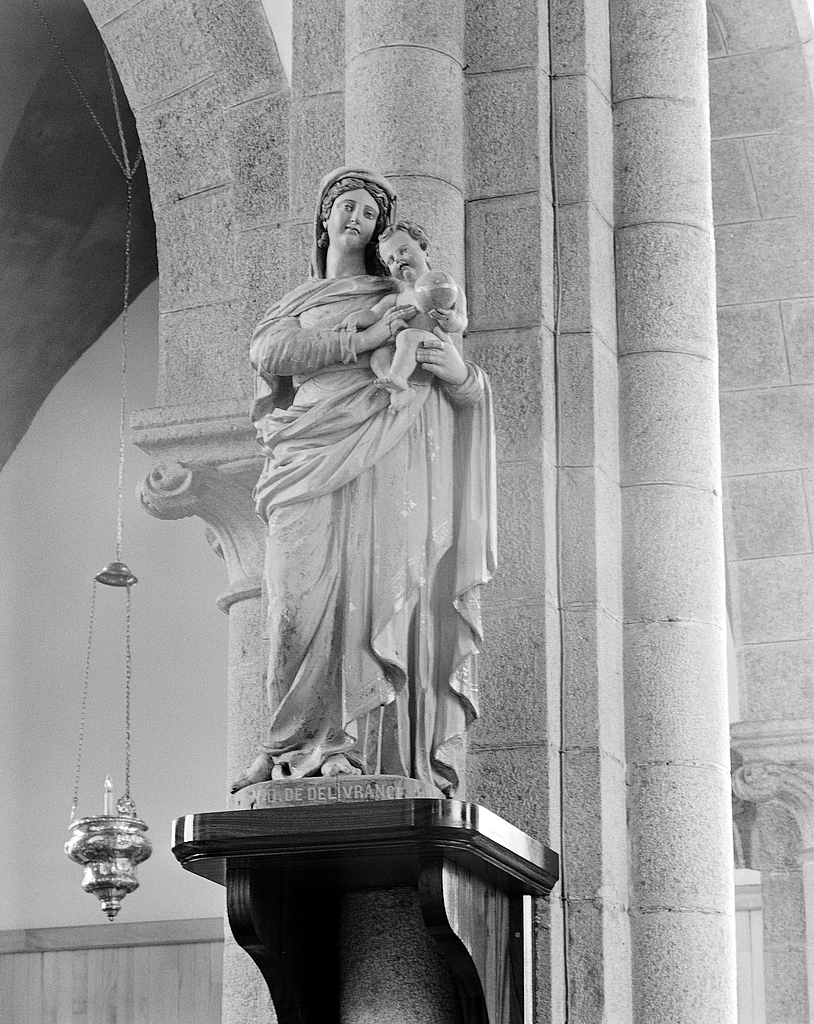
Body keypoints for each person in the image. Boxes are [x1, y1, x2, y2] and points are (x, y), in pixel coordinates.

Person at [231, 166, 496, 796]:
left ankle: (359, 751)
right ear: (325, 217)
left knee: (374, 598)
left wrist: (459, 377)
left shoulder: (404, 294)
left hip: (385, 458)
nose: (359, 219)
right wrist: (365, 338)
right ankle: (290, 744)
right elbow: (270, 353)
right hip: (305, 454)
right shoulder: (296, 305)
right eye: (347, 206)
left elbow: (456, 390)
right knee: (292, 605)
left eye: (372, 214)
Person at [337, 221, 468, 412]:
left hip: (429, 350)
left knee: (408, 336)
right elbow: (373, 313)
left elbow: (460, 323)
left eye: (403, 251)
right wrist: (356, 318)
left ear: (424, 248)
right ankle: (398, 390)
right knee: (378, 357)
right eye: (390, 260)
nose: (397, 260)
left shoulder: (446, 289)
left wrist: (450, 318)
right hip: (405, 358)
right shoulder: (396, 298)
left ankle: (397, 377)